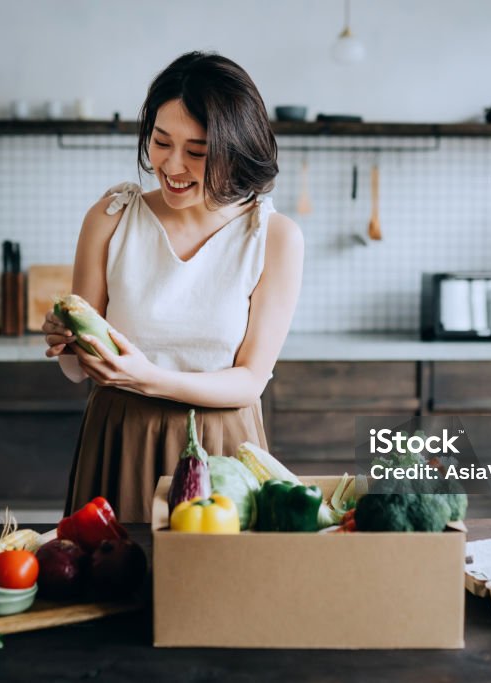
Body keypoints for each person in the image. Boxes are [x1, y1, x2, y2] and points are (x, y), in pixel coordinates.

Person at [42, 51, 303, 523]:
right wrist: (66, 340)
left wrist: (150, 379)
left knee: (220, 591)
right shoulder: (110, 219)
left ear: (236, 149)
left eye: (198, 151)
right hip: (121, 437)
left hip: (222, 448)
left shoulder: (274, 237)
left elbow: (250, 380)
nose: (173, 165)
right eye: (161, 142)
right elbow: (76, 371)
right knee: (112, 584)